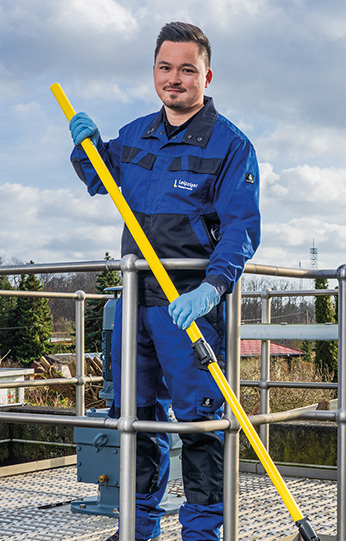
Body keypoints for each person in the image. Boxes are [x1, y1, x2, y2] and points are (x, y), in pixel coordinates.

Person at [67, 21, 260, 541]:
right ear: (155, 72)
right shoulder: (134, 136)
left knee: (199, 422)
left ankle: (201, 533)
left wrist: (212, 288)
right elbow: (96, 176)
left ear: (206, 75)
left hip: (188, 304)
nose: (175, 79)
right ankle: (137, 526)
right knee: (136, 415)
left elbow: (241, 227)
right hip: (134, 303)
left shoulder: (230, 145)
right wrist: (85, 146)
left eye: (187, 70)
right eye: (165, 68)